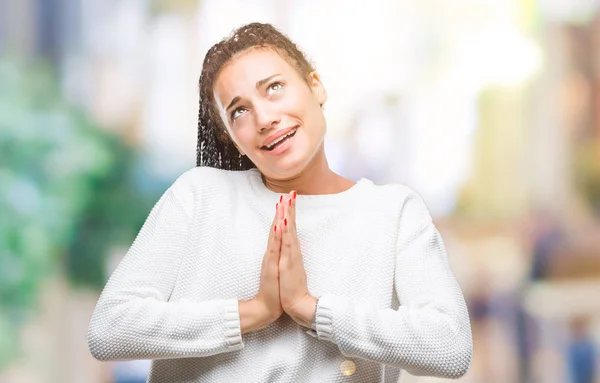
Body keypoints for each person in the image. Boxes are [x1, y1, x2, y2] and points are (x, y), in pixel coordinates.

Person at [87, 22, 473, 382]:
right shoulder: (200, 196)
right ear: (230, 137)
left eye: (274, 88)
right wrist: (254, 311)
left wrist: (312, 309)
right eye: (239, 111)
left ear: (316, 87)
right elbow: (110, 329)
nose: (265, 117)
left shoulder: (391, 213)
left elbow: (450, 347)